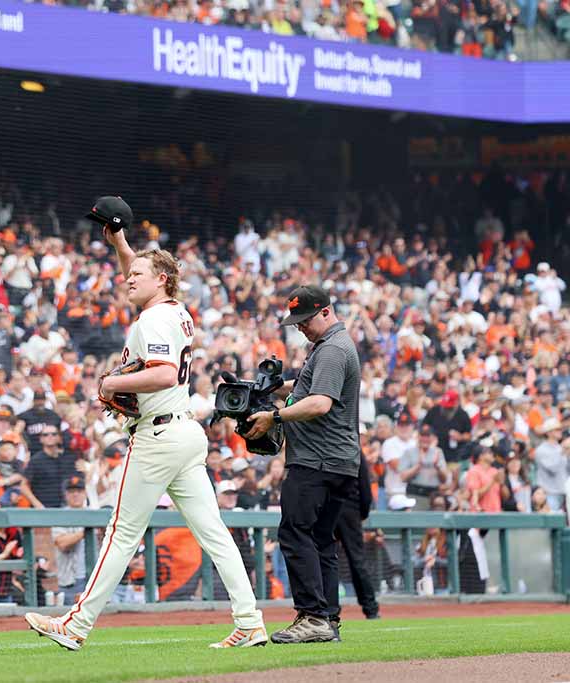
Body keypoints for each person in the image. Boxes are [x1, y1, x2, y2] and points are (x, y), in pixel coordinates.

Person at [25, 197, 266, 651]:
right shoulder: (174, 311)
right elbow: (142, 271)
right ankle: (250, 621)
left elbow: (162, 374)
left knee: (121, 533)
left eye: (137, 275)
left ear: (162, 280)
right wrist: (120, 243)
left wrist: (111, 382)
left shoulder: (153, 319)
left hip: (158, 435)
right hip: (185, 432)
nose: (128, 278)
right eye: (129, 272)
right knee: (215, 533)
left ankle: (75, 625)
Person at [244, 284, 362, 644]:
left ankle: (312, 616)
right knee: (321, 539)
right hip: (337, 461)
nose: (300, 327)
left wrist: (273, 416)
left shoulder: (332, 349)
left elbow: (320, 403)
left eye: (305, 320)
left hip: (317, 461)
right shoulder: (332, 346)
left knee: (295, 534)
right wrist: (269, 388)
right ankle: (327, 620)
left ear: (326, 311)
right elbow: (307, 388)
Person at [334, 454, 379, 621]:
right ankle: (371, 608)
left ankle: (329, 608)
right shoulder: (354, 449)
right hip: (350, 508)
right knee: (357, 559)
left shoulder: (324, 445)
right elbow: (365, 485)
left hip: (329, 506)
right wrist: (363, 511)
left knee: (326, 559)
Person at [51, 475, 90, 605]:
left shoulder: (94, 513)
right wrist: (86, 531)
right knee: (70, 614)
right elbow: (62, 543)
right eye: (72, 491)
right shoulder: (59, 516)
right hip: (70, 581)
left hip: (94, 578)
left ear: (85, 493)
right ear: (66, 495)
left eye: (79, 491)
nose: (75, 495)